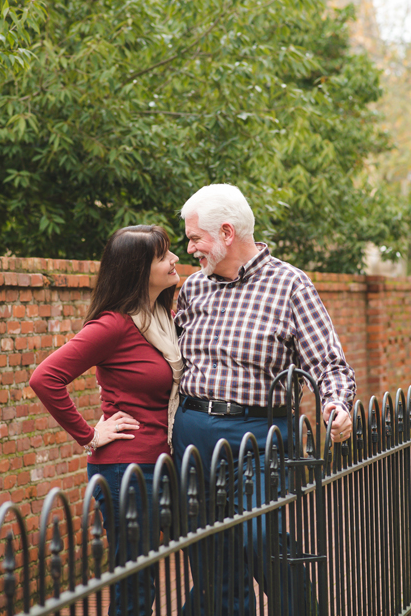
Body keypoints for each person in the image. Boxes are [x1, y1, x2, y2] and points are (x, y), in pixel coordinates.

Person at [173, 183, 355, 615]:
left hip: (260, 437)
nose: (191, 248)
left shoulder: (290, 285)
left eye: (195, 238)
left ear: (227, 233)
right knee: (210, 551)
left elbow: (329, 363)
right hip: (193, 433)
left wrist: (337, 405)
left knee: (259, 535)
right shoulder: (194, 289)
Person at [29, 225, 182, 616]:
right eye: (163, 256)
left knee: (148, 575)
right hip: (125, 470)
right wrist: (89, 434)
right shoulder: (113, 325)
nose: (174, 260)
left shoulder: (164, 316)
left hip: (161, 463)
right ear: (137, 268)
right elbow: (45, 378)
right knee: (135, 584)